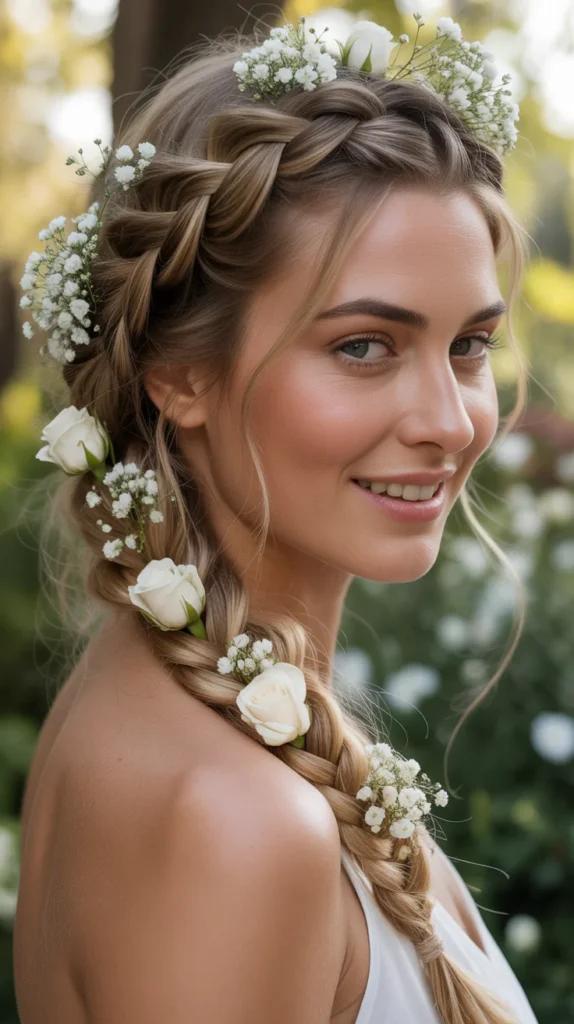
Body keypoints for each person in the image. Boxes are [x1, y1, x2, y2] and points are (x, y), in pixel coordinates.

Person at [13, 15, 538, 1024]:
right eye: (363, 347)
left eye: (468, 345)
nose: (446, 421)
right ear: (179, 375)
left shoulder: (191, 706)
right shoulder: (240, 825)